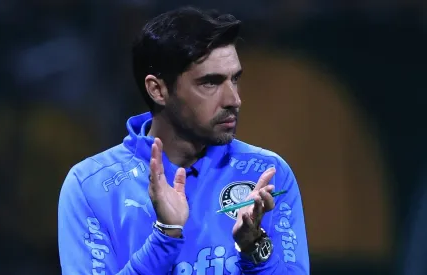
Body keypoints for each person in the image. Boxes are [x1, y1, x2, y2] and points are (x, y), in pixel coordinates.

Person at [58, 6, 309, 275]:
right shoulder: (90, 187)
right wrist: (164, 238)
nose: (234, 100)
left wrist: (254, 246)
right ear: (158, 90)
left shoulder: (267, 174)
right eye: (210, 83)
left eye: (234, 79)